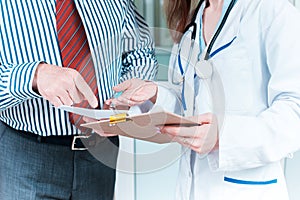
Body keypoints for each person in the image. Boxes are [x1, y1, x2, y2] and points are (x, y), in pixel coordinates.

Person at [104, 0, 300, 199]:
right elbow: (190, 109)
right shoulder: (192, 24)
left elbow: (295, 112)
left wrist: (222, 137)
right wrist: (154, 93)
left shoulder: (273, 11)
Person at [0, 0, 157, 199]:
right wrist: (34, 76)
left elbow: (139, 51)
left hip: (101, 153)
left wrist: (130, 92)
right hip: (26, 157)